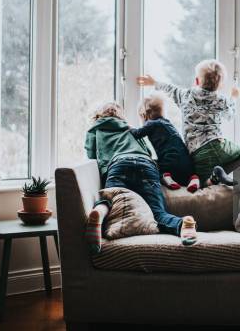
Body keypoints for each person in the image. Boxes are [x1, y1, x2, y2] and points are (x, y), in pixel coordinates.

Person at [84, 102, 197, 253]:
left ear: (99, 115)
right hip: (146, 165)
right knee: (157, 213)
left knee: (110, 203)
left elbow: (91, 155)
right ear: (120, 115)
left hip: (118, 165)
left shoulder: (95, 129)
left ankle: (99, 212)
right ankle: (182, 224)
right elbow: (148, 150)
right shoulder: (129, 128)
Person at [137, 59, 240, 185]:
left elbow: (170, 89)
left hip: (198, 154)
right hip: (219, 145)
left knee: (201, 183)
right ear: (220, 85)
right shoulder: (220, 100)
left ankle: (215, 175)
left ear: (196, 81)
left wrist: (154, 82)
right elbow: (230, 114)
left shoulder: (186, 95)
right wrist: (234, 97)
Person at [131, 94, 235, 192]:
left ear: (144, 115)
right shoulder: (168, 123)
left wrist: (126, 127)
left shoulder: (151, 124)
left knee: (155, 168)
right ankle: (194, 179)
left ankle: (166, 177)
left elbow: (136, 133)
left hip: (169, 163)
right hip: (187, 164)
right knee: (190, 177)